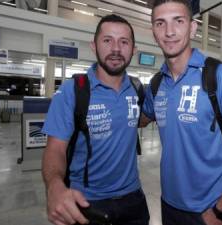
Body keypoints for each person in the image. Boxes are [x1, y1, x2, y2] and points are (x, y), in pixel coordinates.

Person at [140, 1, 222, 225]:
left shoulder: (219, 76)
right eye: (160, 23)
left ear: (192, 28)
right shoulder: (157, 85)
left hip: (211, 208)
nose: (169, 31)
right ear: (153, 32)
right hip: (169, 205)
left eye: (179, 21)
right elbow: (141, 118)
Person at [41, 14, 149, 225]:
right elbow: (55, 149)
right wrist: (54, 186)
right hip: (87, 202)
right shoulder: (73, 91)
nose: (116, 49)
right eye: (107, 40)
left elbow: (141, 119)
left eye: (124, 42)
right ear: (94, 46)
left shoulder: (137, 90)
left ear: (133, 51)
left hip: (134, 200)